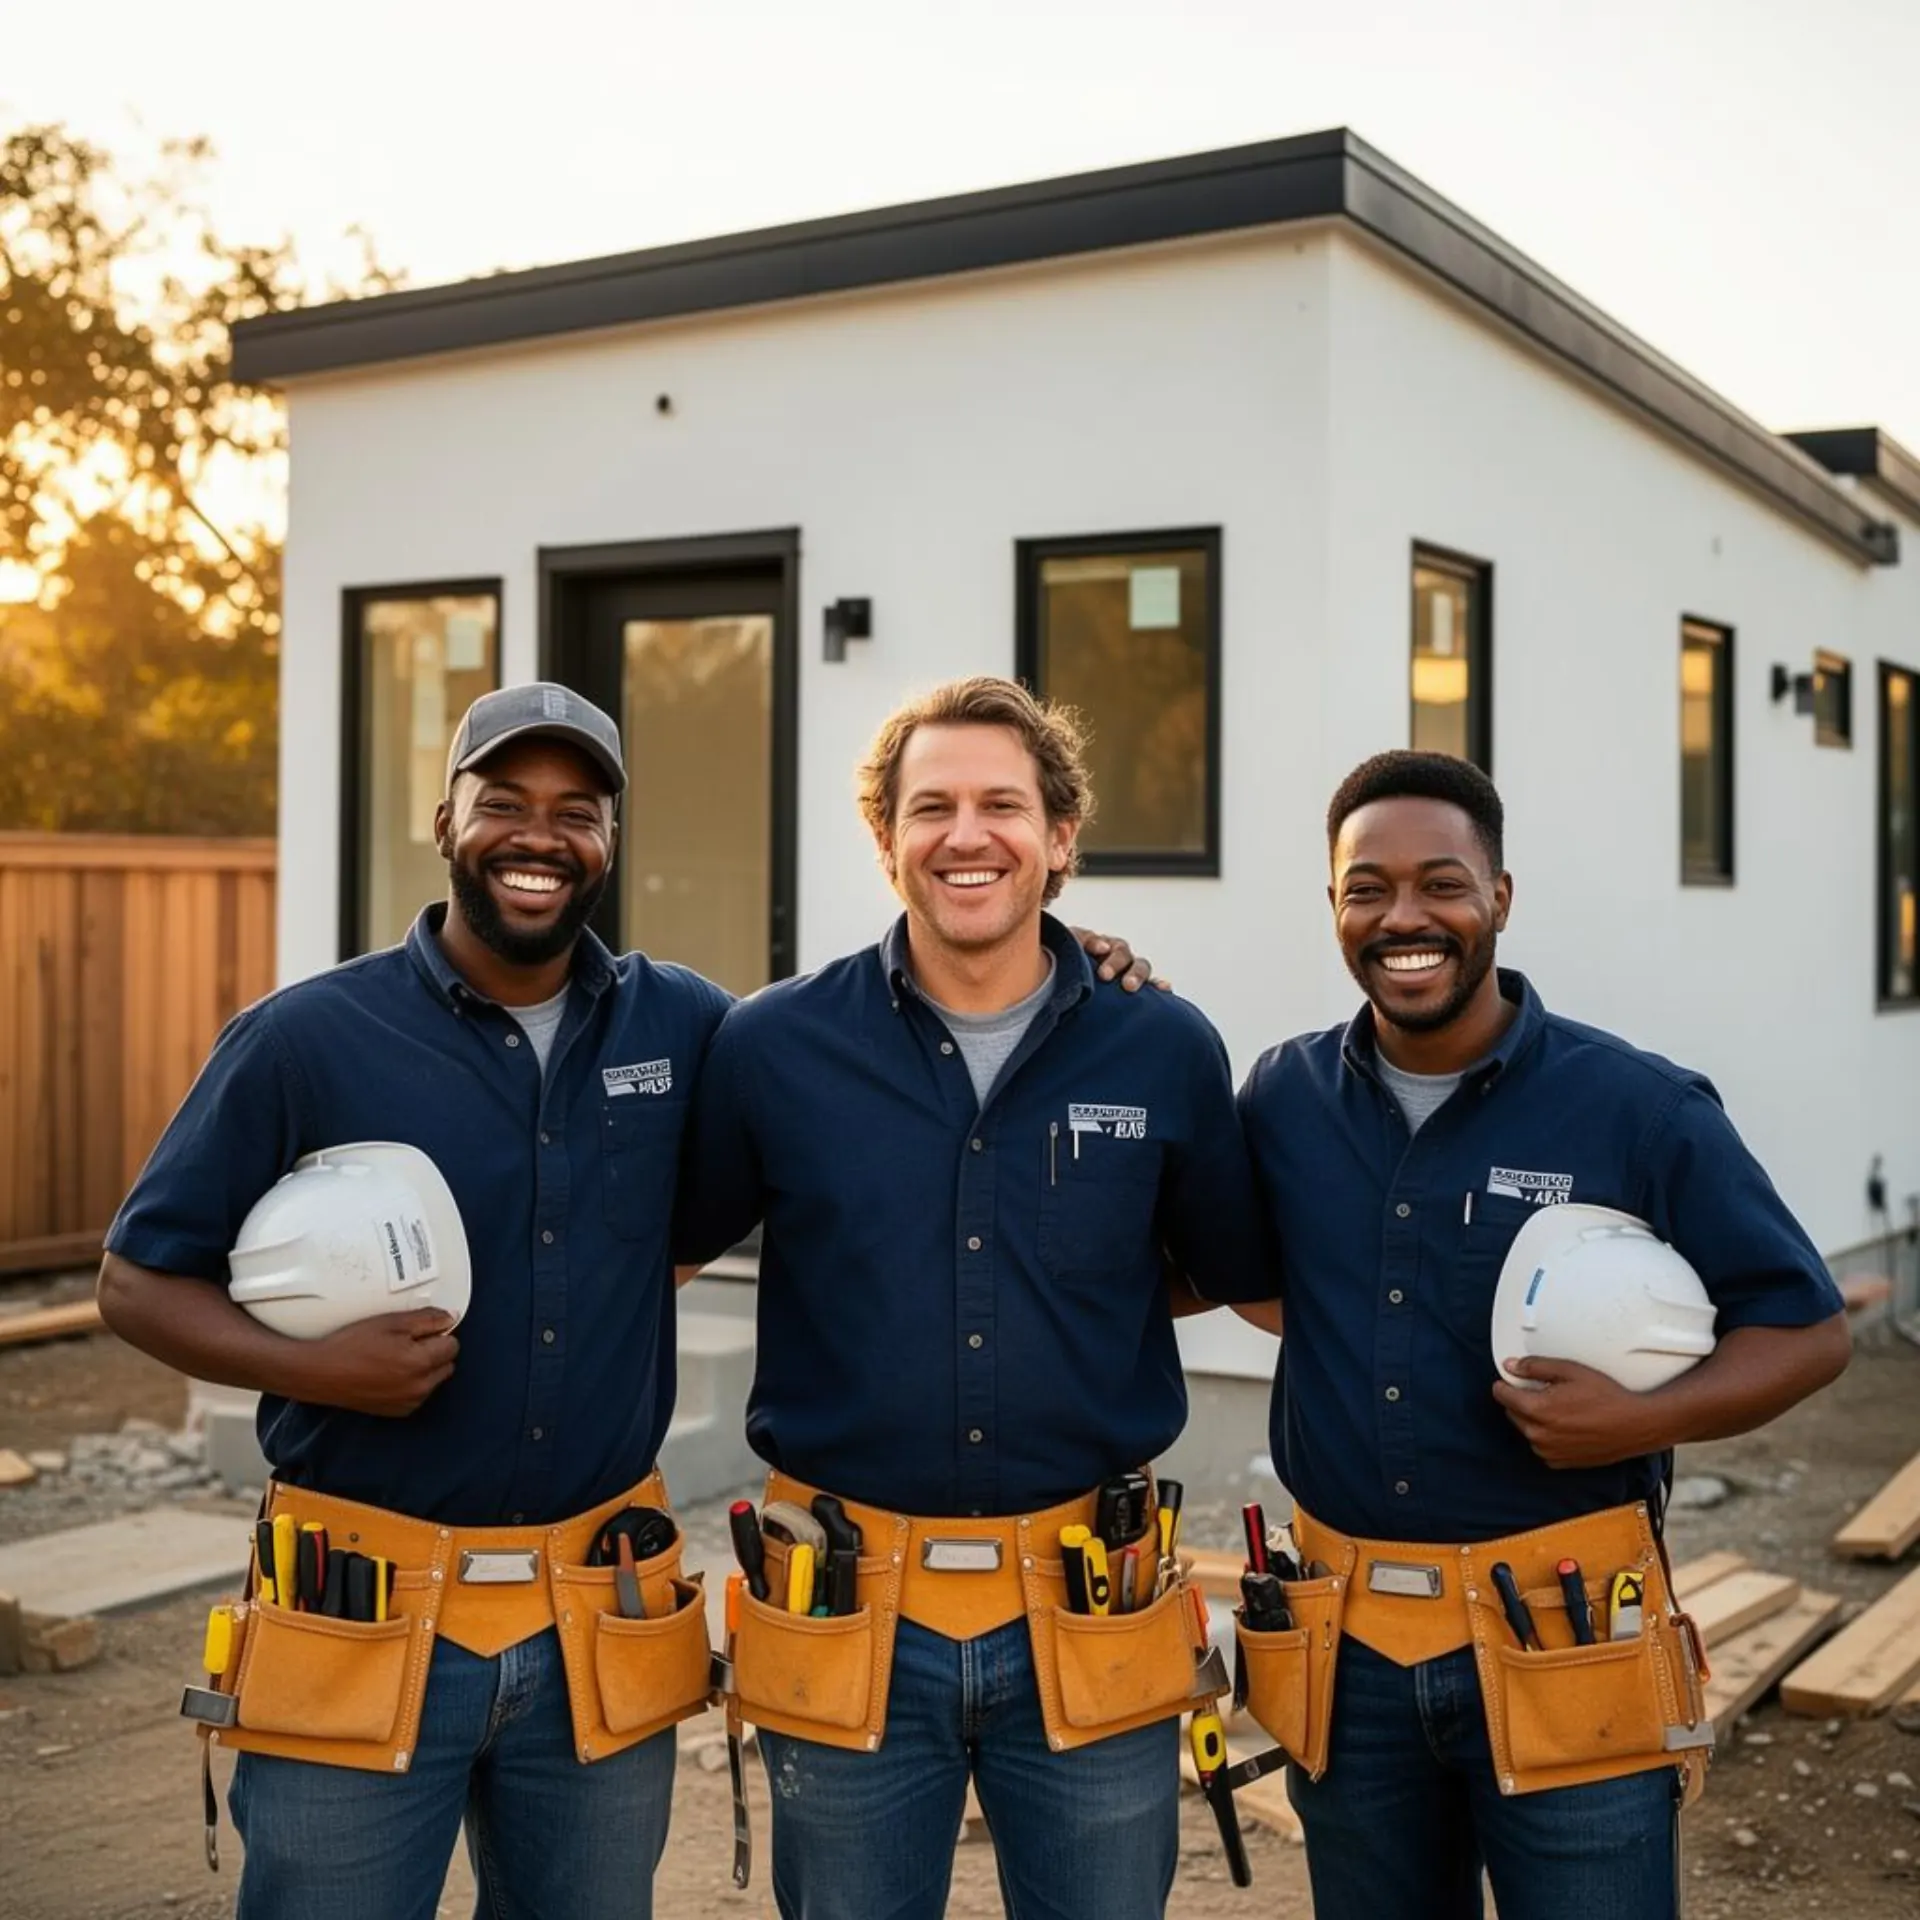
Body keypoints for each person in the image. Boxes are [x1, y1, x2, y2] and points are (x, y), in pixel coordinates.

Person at [97, 681, 1155, 1920]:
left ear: (610, 840)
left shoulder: (695, 1029)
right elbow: (134, 1280)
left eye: (577, 811)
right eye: (504, 804)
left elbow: (837, 1075)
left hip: (598, 1610)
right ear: (445, 822)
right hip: (362, 1610)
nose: (538, 836)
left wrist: (1060, 961)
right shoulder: (306, 1040)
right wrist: (317, 1369)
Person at [674, 675, 1275, 1920]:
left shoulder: (1162, 1045)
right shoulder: (772, 1046)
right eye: (930, 806)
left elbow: (1232, 1271)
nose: (966, 834)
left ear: (1060, 841)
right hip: (844, 1604)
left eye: (1003, 804)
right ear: (885, 839)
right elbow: (659, 1253)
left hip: (1091, 1602)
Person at [1234, 749, 1850, 1920]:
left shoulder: (1638, 1108)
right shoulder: (1283, 1098)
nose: (1403, 916)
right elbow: (1236, 1275)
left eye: (1441, 883)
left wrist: (1646, 1418)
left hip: (1569, 1639)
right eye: (1366, 887)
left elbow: (1808, 1328)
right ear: (1332, 906)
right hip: (1346, 1655)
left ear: (1499, 899)